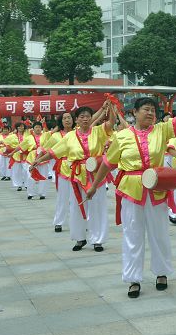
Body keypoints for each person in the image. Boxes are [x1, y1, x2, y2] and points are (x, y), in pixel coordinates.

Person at [85, 90, 176, 298]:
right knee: (132, 235)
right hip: (131, 191)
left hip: (156, 189)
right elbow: (107, 164)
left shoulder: (161, 131)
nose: (151, 113)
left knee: (159, 233)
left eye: (153, 110)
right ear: (135, 112)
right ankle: (133, 279)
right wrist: (94, 186)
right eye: (146, 109)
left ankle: (162, 273)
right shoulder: (122, 136)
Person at [31, 103, 115, 251]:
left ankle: (97, 240)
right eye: (81, 116)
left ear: (92, 119)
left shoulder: (98, 131)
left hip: (96, 175)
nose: (85, 119)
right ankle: (79, 238)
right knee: (77, 206)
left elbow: (111, 123)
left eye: (88, 116)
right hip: (77, 176)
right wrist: (38, 160)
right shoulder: (69, 136)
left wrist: (111, 110)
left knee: (97, 207)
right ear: (77, 120)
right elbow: (54, 152)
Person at [47, 112, 74, 232]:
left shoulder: (77, 133)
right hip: (62, 168)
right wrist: (36, 161)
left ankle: (81, 222)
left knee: (78, 197)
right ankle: (59, 221)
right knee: (62, 197)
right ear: (61, 122)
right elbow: (47, 150)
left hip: (78, 169)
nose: (67, 120)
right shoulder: (55, 136)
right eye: (64, 118)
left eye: (69, 118)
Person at [22, 121, 52, 200]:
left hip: (43, 158)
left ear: (41, 128)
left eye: (39, 127)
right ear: (33, 129)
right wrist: (12, 152)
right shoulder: (29, 138)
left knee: (44, 175)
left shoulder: (46, 135)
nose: (38, 129)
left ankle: (42, 193)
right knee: (30, 176)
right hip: (32, 158)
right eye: (36, 127)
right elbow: (21, 146)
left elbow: (54, 133)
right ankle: (30, 193)